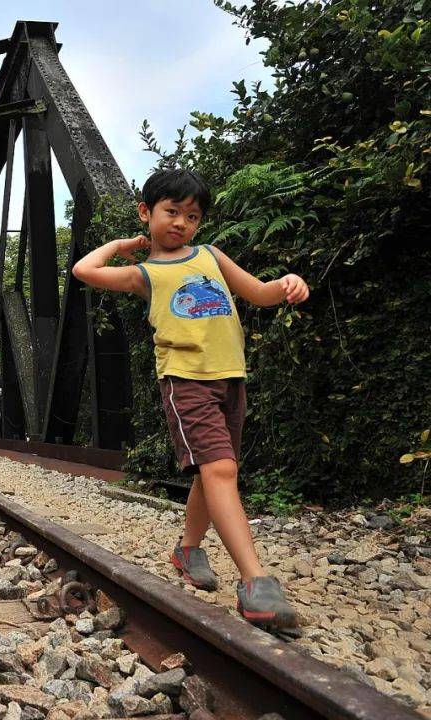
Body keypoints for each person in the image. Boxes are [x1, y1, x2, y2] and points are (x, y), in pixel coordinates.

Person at [71, 168, 309, 628]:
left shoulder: (211, 255)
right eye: (172, 211)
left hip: (230, 378)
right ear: (146, 212)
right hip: (186, 381)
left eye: (192, 216)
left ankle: (188, 549)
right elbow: (85, 270)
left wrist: (288, 283)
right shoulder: (144, 273)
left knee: (212, 470)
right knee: (220, 469)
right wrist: (121, 244)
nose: (181, 222)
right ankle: (255, 582)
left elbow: (260, 294)